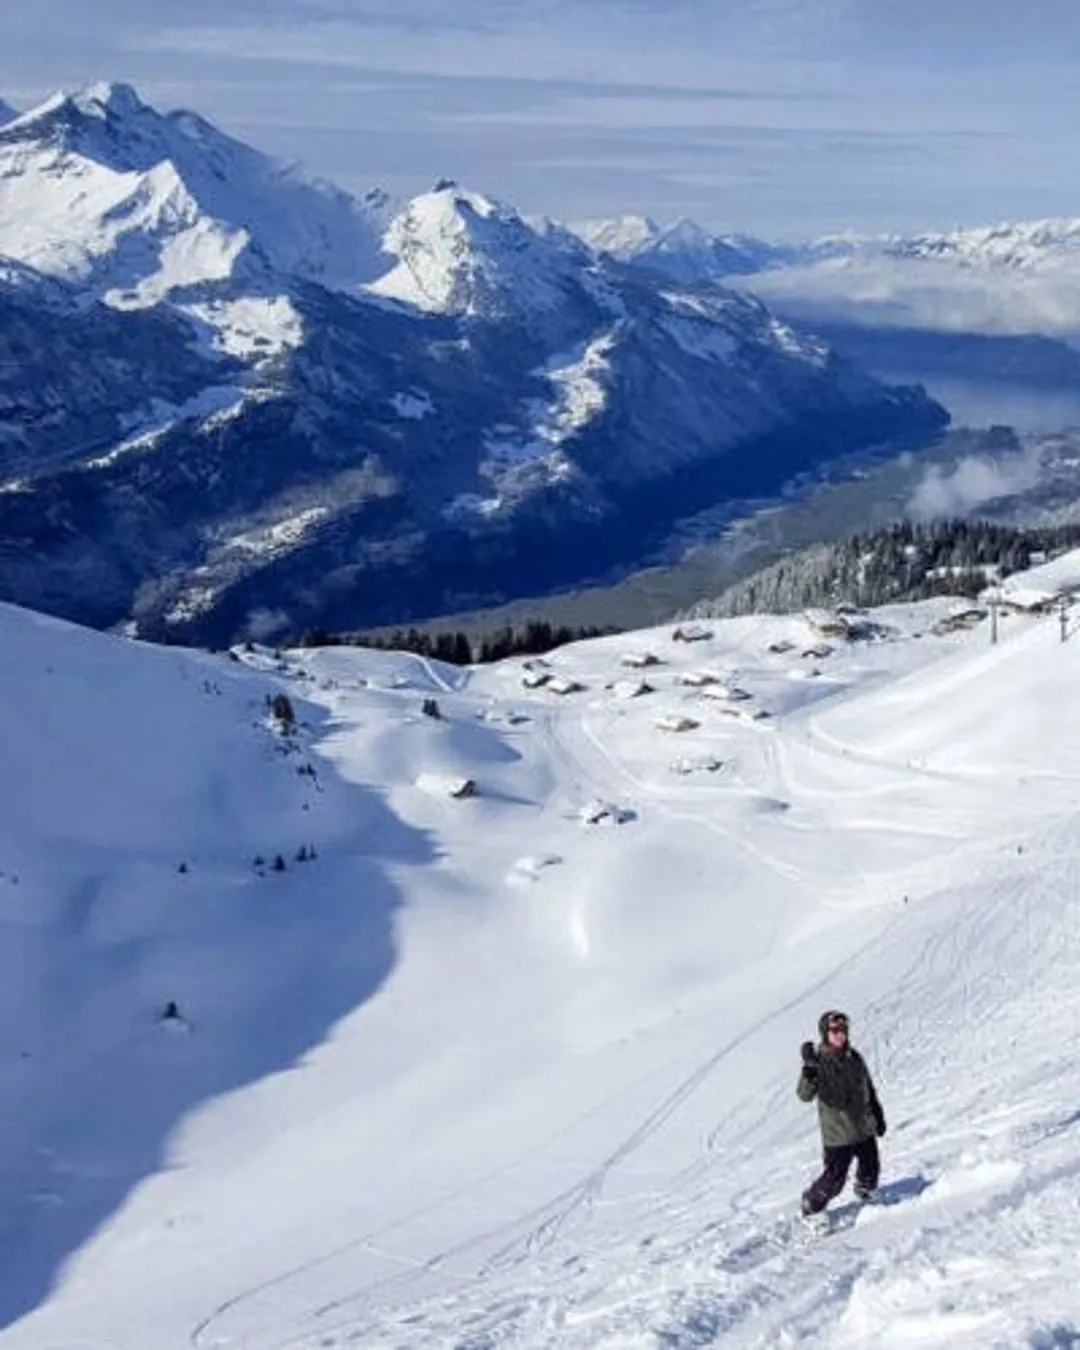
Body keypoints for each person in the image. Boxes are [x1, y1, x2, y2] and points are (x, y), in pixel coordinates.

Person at [797, 1009, 886, 1216]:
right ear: (825, 1033)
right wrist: (809, 1072)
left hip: (863, 1128)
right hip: (838, 1134)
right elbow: (804, 1095)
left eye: (843, 1029)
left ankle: (865, 1192)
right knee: (834, 1181)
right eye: (834, 1030)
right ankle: (812, 1203)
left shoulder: (854, 1058)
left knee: (871, 1170)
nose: (840, 1034)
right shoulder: (818, 1062)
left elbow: (868, 1088)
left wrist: (877, 1113)